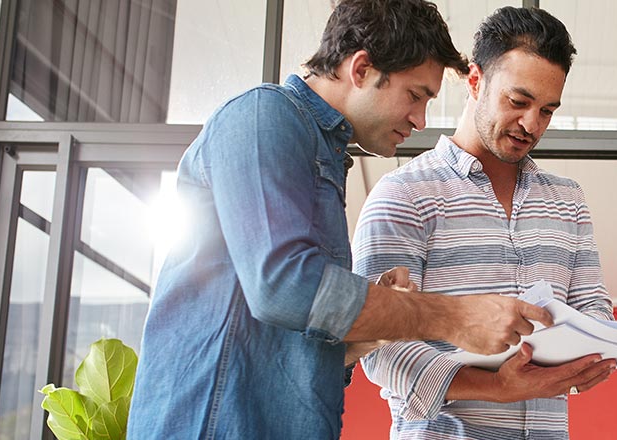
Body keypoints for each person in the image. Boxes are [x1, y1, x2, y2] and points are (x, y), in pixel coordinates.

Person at [127, 1, 555, 439]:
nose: (420, 119)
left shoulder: (326, 158)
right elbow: (282, 284)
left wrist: (369, 334)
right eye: (415, 95)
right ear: (362, 69)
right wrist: (451, 316)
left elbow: (287, 336)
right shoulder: (264, 116)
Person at [351, 7, 617, 439]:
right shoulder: (403, 195)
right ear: (474, 80)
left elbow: (594, 311)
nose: (531, 124)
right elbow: (379, 348)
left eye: (548, 110)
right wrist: (496, 387)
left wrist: (594, 351)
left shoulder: (568, 202)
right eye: (518, 101)